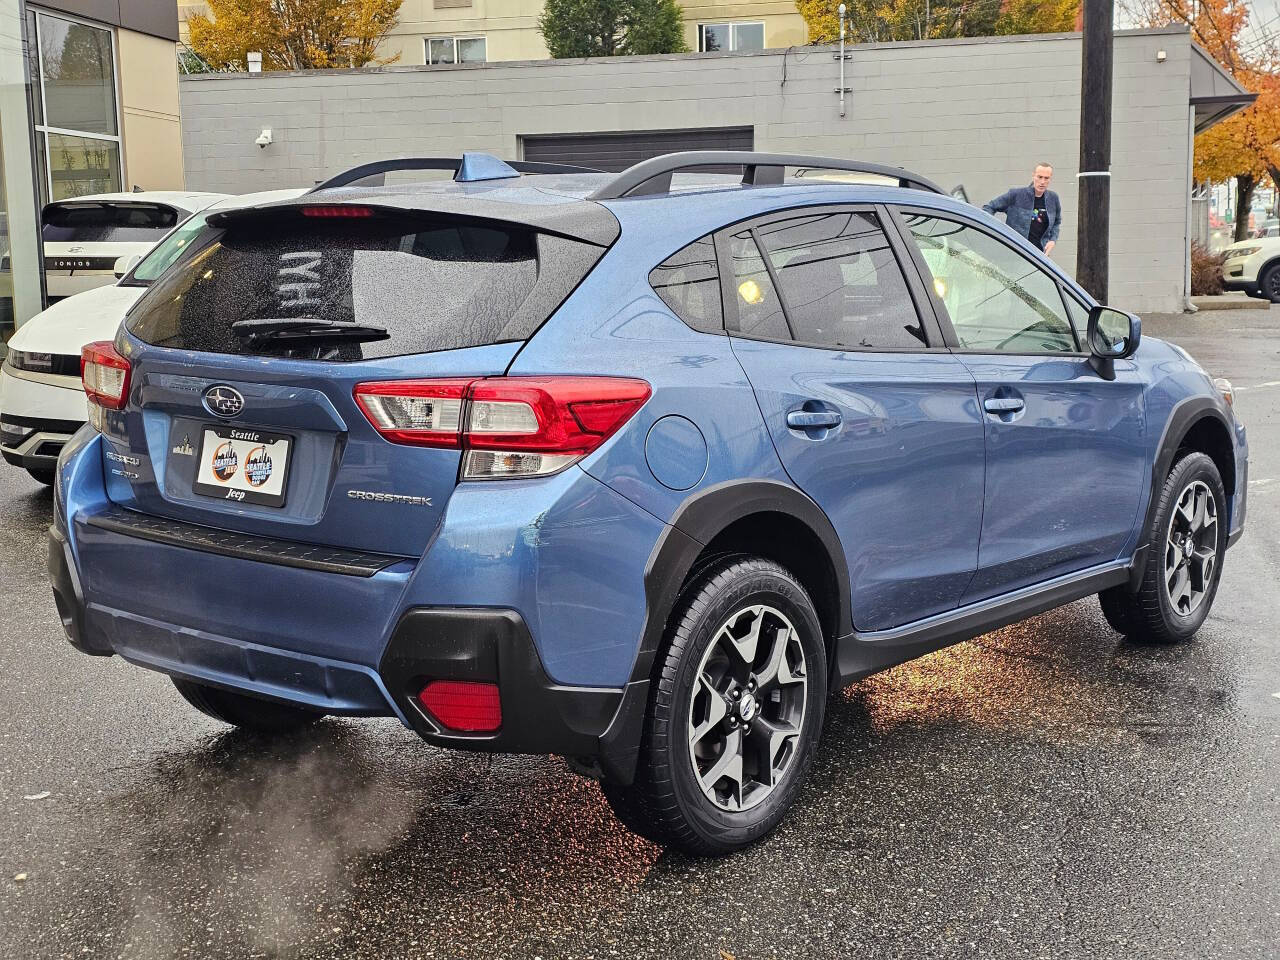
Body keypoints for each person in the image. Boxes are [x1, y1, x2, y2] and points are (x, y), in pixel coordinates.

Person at [983, 163, 1061, 255]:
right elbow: (989, 207)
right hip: (1014, 252)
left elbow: (1056, 222)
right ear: (1033, 176)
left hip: (1039, 256)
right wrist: (995, 230)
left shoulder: (1053, 198)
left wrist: (1052, 240)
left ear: (1050, 179)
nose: (1042, 182)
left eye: (1046, 178)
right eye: (1039, 177)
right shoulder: (1016, 195)